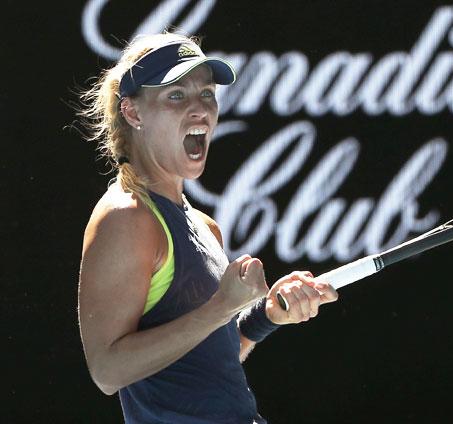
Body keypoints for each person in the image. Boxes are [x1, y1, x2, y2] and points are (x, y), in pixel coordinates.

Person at [77, 32, 338, 423]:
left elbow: (200, 358)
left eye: (207, 94)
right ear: (133, 113)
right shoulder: (126, 217)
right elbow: (107, 371)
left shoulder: (204, 227)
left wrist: (265, 316)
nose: (201, 108)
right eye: (177, 96)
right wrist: (221, 307)